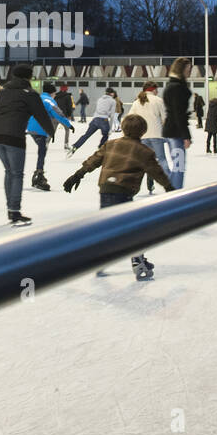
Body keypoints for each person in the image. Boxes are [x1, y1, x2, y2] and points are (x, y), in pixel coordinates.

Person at [63, 113, 173, 279]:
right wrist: (169, 188)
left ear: (123, 128)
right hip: (123, 192)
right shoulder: (144, 151)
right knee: (132, 229)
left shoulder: (111, 144)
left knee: (107, 227)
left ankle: (100, 261)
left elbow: (93, 160)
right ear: (143, 131)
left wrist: (77, 175)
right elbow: (157, 172)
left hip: (106, 189)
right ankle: (137, 261)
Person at [0, 63, 53, 226]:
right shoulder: (29, 93)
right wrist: (51, 131)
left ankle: (11, 210)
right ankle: (14, 212)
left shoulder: (3, 91)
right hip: (13, 136)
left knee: (9, 172)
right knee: (16, 174)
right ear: (29, 76)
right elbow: (41, 115)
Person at [26, 81, 73, 191]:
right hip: (40, 129)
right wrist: (69, 125)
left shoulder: (37, 98)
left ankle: (38, 173)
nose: (55, 95)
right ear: (52, 93)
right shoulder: (49, 100)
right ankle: (39, 175)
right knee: (42, 151)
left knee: (42, 150)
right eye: (54, 93)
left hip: (31, 128)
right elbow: (58, 114)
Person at [127, 83, 171, 194]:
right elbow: (165, 118)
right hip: (156, 134)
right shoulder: (158, 100)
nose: (158, 91)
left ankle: (143, 184)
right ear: (153, 89)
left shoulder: (137, 102)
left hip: (142, 135)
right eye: (157, 89)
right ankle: (171, 184)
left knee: (143, 161)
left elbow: (130, 118)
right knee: (161, 160)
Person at [161, 57, 193, 189]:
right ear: (182, 69)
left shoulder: (172, 85)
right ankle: (174, 196)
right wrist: (186, 135)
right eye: (188, 68)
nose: (190, 71)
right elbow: (178, 114)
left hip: (172, 131)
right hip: (175, 133)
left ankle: (173, 192)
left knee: (178, 165)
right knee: (179, 166)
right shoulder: (177, 88)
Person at [68, 88, 118, 155]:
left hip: (95, 119)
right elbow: (112, 115)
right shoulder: (112, 101)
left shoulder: (100, 99)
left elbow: (98, 109)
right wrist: (110, 129)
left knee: (86, 135)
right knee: (106, 135)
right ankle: (100, 149)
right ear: (112, 94)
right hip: (104, 120)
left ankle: (75, 146)